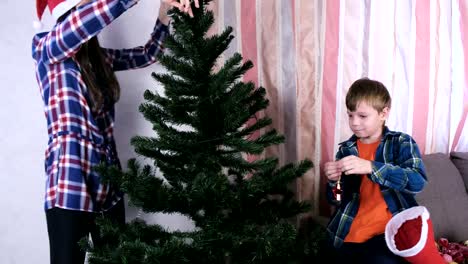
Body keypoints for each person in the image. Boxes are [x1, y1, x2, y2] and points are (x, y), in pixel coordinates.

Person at [32, 0, 198, 263]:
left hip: (108, 179)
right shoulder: (46, 47)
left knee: (117, 259)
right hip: (69, 177)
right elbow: (79, 25)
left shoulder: (102, 60)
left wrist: (166, 9)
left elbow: (148, 54)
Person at [323, 77, 428, 264]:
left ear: (383, 113)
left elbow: (417, 182)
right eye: (350, 115)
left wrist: (371, 167)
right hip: (346, 232)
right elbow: (336, 199)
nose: (354, 122)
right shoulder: (345, 150)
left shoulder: (401, 142)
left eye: (362, 116)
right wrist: (334, 181)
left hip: (388, 234)